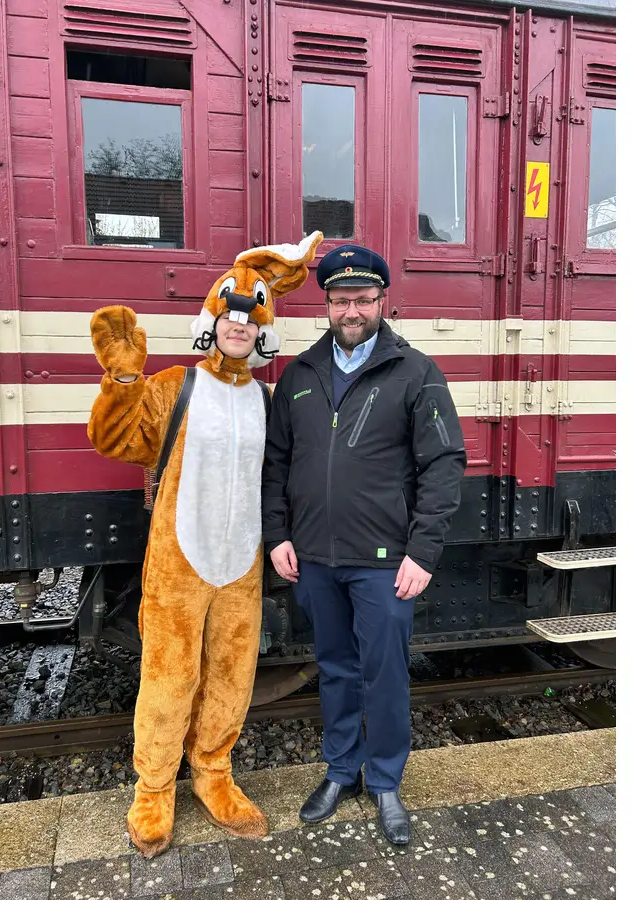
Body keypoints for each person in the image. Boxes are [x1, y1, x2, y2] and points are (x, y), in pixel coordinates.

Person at [86, 231, 323, 857]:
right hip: (178, 566)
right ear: (212, 321)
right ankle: (154, 789)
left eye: (251, 320)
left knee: (231, 676)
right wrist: (123, 377)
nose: (238, 328)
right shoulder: (173, 389)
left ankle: (214, 773)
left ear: (262, 331)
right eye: (229, 317)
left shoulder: (271, 402)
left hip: (240, 566)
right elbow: (116, 441)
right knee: (167, 677)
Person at [261, 244, 466, 845]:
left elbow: (443, 465)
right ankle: (341, 769)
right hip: (316, 559)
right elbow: (276, 465)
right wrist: (278, 535)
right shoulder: (299, 375)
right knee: (335, 670)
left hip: (384, 563)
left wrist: (423, 553)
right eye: (341, 300)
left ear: (382, 303)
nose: (352, 310)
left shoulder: (416, 372)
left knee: (384, 672)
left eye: (363, 299)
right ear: (326, 304)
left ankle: (385, 782)